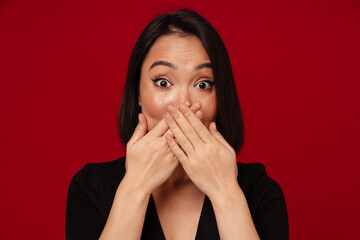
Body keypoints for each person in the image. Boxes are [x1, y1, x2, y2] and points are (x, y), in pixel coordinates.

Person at [66, 9, 289, 240]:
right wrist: (135, 187)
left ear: (220, 98)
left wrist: (225, 193)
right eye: (163, 82)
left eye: (203, 84)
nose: (184, 103)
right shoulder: (90, 187)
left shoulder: (260, 190)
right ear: (138, 95)